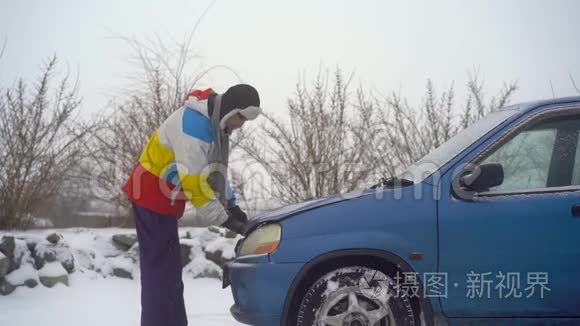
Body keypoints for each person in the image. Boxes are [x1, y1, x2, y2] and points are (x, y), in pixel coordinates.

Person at [122, 84, 262, 326]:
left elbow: (214, 171)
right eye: (240, 117)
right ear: (230, 109)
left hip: (165, 200)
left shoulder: (211, 124)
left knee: (170, 273)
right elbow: (196, 185)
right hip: (150, 195)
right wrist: (226, 219)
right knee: (160, 274)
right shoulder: (194, 130)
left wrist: (233, 205)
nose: (241, 125)